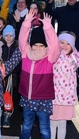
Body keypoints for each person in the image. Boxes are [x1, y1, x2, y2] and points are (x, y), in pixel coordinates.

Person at [18, 9, 61, 139]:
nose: (37, 48)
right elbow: (21, 39)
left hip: (44, 99)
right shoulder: (25, 54)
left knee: (44, 128)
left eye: (41, 46)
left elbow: (54, 44)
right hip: (27, 98)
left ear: (45, 46)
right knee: (26, 126)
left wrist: (48, 27)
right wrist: (26, 23)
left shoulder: (50, 57)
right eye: (34, 45)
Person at [1, 25, 22, 129]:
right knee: (0, 95)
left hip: (12, 77)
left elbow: (20, 63)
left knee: (9, 96)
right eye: (6, 35)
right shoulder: (0, 46)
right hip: (0, 75)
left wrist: (15, 70)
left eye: (11, 35)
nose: (8, 37)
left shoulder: (17, 48)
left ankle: (7, 115)